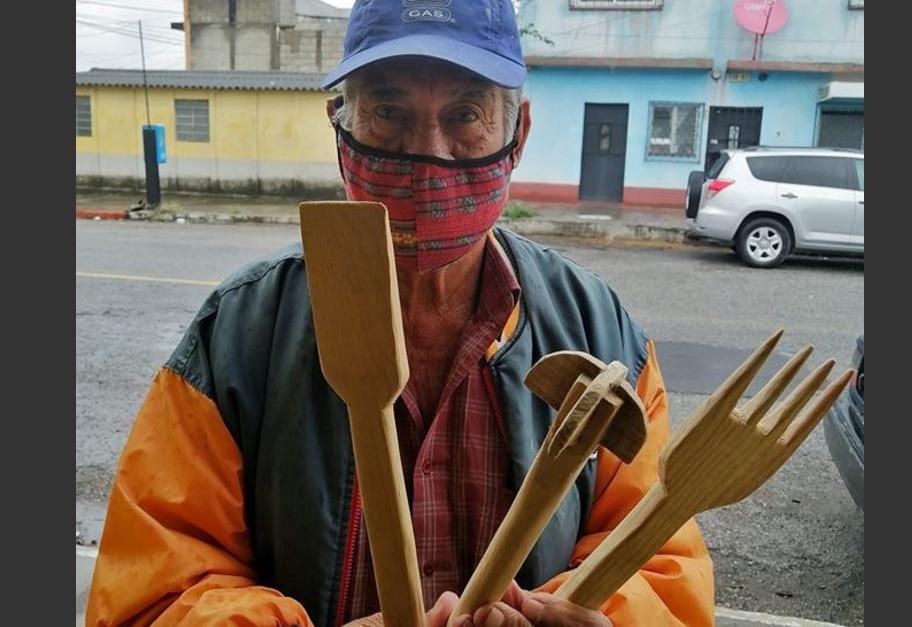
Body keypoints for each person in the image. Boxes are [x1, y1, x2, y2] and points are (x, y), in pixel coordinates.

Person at [86, 1, 715, 625]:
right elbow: (156, 592)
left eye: (466, 114)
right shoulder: (239, 337)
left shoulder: (601, 335)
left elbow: (660, 568)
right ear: (341, 126)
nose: (429, 155)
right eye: (389, 111)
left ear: (516, 134)